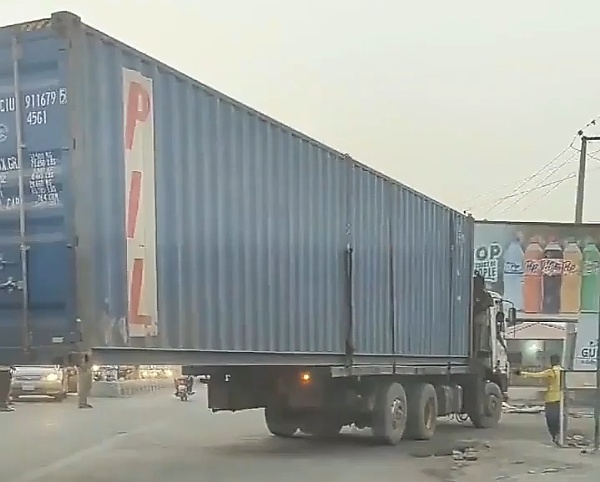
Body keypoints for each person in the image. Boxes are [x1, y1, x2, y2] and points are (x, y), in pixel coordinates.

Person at [514, 354, 562, 445]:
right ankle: (560, 435)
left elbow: (537, 375)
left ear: (551, 362)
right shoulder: (563, 371)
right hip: (561, 399)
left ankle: (555, 435)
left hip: (551, 399)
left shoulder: (551, 371)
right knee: (559, 418)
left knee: (551, 419)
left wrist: (522, 373)